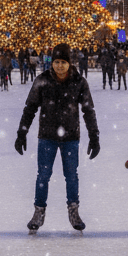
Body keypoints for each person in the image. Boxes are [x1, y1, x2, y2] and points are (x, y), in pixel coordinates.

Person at [16, 43, 100, 234]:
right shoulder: (42, 80)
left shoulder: (79, 81)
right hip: (47, 136)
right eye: (57, 62)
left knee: (71, 176)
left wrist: (94, 136)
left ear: (69, 63)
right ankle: (38, 212)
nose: (60, 66)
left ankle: (73, 211)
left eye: (63, 62)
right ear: (51, 63)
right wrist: (22, 133)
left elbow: (88, 110)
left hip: (71, 136)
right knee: (43, 176)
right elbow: (30, 108)